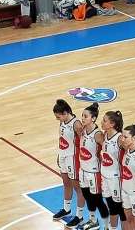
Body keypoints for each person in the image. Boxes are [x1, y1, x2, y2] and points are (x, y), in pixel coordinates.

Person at [52, 99, 85, 228]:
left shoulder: (76, 124)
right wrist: (59, 153)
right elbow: (62, 139)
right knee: (66, 183)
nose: (57, 119)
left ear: (65, 113)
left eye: (58, 116)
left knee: (77, 187)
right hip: (63, 156)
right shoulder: (63, 121)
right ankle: (66, 209)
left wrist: (83, 160)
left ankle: (79, 216)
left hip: (73, 158)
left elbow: (84, 142)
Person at [78, 102, 110, 230]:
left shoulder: (98, 134)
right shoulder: (83, 130)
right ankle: (93, 221)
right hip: (83, 170)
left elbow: (107, 151)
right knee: (87, 196)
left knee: (97, 200)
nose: (83, 118)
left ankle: (107, 226)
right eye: (82, 116)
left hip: (93, 172)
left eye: (85, 116)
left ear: (93, 118)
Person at [100, 110, 126, 230]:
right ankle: (112, 227)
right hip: (105, 176)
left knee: (118, 207)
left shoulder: (119, 138)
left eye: (104, 121)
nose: (102, 122)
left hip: (115, 177)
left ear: (112, 124)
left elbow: (132, 148)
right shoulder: (105, 135)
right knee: (110, 204)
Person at [120, 122, 135, 230]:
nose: (122, 139)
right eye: (122, 136)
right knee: (128, 219)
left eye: (125, 137)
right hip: (125, 191)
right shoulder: (127, 149)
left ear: (134, 138)